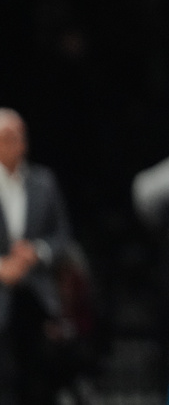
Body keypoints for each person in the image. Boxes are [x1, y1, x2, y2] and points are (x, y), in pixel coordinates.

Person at [0, 107, 80, 404]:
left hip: (38, 297)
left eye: (21, 136)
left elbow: (63, 237)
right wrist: (3, 267)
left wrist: (37, 252)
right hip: (2, 295)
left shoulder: (43, 182)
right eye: (8, 137)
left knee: (40, 383)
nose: (17, 143)